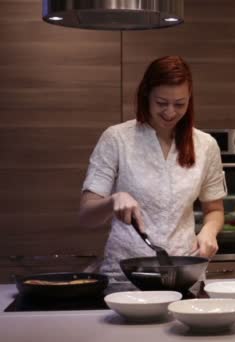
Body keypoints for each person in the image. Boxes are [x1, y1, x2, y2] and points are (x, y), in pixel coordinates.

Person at [79, 56, 226, 279]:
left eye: (180, 104)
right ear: (146, 95)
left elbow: (214, 209)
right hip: (126, 275)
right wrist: (112, 201)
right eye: (161, 103)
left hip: (184, 274)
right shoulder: (116, 139)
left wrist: (209, 230)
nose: (170, 112)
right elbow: (87, 216)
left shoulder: (206, 145)